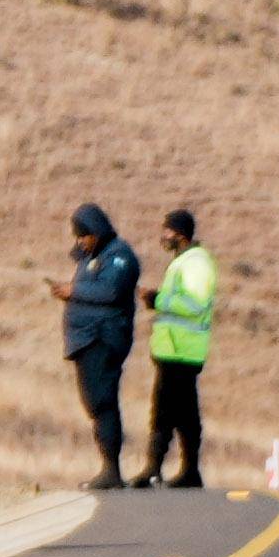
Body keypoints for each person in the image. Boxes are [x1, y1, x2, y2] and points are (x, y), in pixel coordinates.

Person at [49, 204, 141, 489]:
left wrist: (74, 291)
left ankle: (111, 469)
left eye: (84, 236)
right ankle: (107, 466)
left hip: (104, 338)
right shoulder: (92, 257)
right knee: (94, 404)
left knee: (103, 402)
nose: (80, 242)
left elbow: (111, 290)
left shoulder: (120, 256)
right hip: (85, 341)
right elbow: (90, 278)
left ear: (97, 232)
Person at [140, 206, 220, 490]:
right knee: (185, 413)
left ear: (182, 234)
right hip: (175, 350)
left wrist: (157, 300)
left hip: (181, 351)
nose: (164, 236)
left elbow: (195, 304)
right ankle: (188, 471)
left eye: (168, 230)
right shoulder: (184, 261)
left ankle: (154, 469)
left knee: (164, 410)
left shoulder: (196, 263)